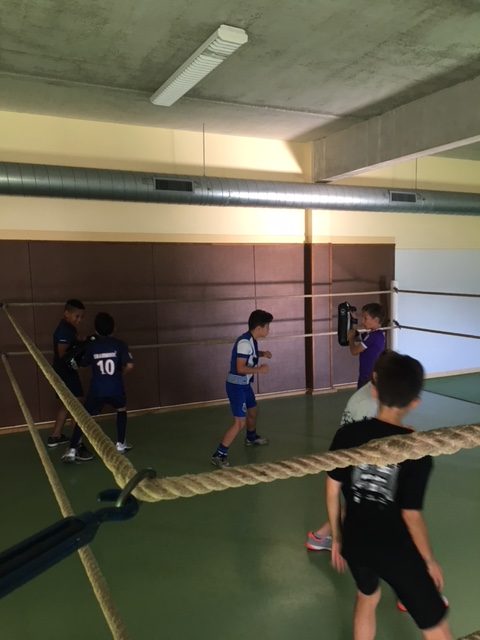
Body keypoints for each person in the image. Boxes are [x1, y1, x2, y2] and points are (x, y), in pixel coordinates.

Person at [326, 352, 452, 640]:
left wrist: (337, 536)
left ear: (375, 389)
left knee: (367, 597)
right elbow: (410, 515)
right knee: (435, 625)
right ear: (414, 402)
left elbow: (332, 488)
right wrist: (428, 560)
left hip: (355, 540)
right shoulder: (416, 450)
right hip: (395, 549)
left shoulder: (347, 435)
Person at [305, 377, 378, 551]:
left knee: (358, 502)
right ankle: (321, 536)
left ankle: (320, 537)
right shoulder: (368, 403)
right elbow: (365, 438)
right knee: (360, 502)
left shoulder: (370, 391)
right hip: (351, 458)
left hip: (348, 454)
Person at [62, 312, 134, 463]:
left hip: (97, 389)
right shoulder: (120, 344)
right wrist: (119, 375)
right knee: (121, 409)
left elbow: (83, 364)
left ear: (96, 330)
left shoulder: (92, 346)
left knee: (85, 417)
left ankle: (72, 449)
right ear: (114, 328)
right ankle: (120, 443)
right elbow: (129, 365)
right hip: (115, 387)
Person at [211, 309, 273, 469]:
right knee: (239, 422)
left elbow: (250, 354)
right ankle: (219, 455)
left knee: (253, 410)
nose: (269, 329)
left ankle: (251, 438)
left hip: (244, 385)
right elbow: (240, 368)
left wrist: (262, 354)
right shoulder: (244, 342)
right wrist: (260, 370)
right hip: (236, 386)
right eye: (267, 326)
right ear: (259, 328)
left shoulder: (251, 340)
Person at [48, 298, 92, 461]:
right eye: (77, 316)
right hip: (65, 373)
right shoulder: (64, 331)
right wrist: (82, 346)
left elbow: (71, 346)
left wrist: (81, 341)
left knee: (66, 405)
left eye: (81, 317)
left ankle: (55, 436)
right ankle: (77, 445)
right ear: (66, 313)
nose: (79, 320)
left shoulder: (68, 328)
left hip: (64, 372)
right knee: (77, 405)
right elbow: (63, 355)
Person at [348, 302, 386, 389]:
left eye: (365, 318)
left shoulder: (374, 336)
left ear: (376, 320)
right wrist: (354, 320)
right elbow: (356, 336)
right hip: (365, 375)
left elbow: (354, 351)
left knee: (363, 397)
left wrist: (350, 339)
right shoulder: (370, 334)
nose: (363, 321)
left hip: (369, 377)